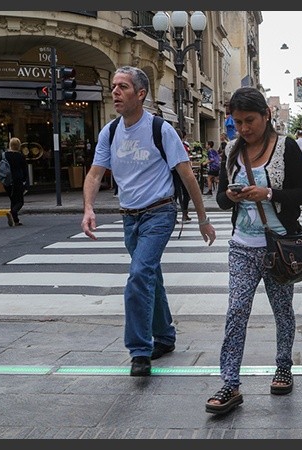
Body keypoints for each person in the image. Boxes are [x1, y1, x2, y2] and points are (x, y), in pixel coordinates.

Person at [80, 66, 216, 377]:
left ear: (140, 94)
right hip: (130, 217)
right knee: (150, 274)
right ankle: (165, 337)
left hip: (159, 212)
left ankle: (139, 350)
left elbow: (186, 175)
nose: (115, 91)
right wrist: (88, 208)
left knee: (138, 276)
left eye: (123, 87)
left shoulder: (160, 129)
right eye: (114, 86)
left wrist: (202, 219)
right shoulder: (110, 131)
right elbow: (94, 173)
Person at [207, 86, 302, 415]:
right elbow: (222, 200)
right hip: (242, 247)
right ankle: (230, 384)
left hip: (279, 247)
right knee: (236, 312)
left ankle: (283, 366)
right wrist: (233, 196)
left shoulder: (286, 147)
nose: (243, 129)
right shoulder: (231, 152)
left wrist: (268, 193)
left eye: (249, 120)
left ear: (266, 115)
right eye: (237, 122)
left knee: (282, 311)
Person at [3, 137, 29, 227]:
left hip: (7, 181)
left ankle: (15, 220)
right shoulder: (20, 156)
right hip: (17, 180)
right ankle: (12, 212)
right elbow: (25, 170)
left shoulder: (4, 155)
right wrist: (25, 181)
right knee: (20, 201)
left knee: (13, 200)